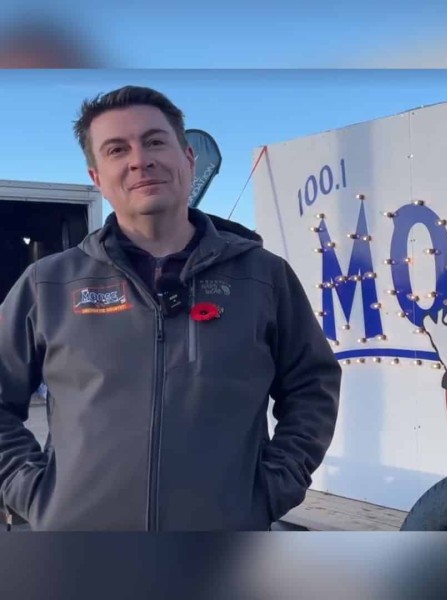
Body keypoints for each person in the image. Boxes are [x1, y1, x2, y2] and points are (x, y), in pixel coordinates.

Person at [0, 85, 341, 531]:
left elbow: (312, 385)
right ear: (97, 177)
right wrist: (32, 491)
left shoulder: (262, 277)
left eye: (155, 141)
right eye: (117, 149)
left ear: (188, 159)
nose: (140, 160)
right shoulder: (48, 284)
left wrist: (274, 486)